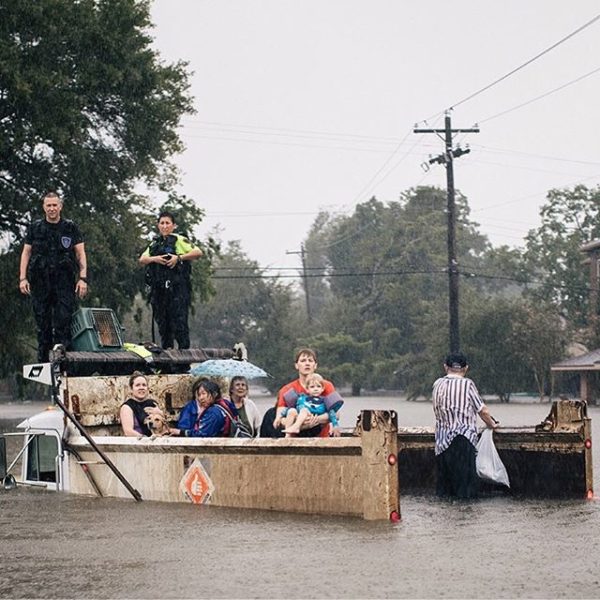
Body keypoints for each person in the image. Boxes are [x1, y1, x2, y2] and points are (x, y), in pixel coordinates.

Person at [19, 192, 88, 362]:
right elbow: (26, 253)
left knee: (63, 321)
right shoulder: (35, 228)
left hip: (64, 281)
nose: (51, 208)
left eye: (54, 205)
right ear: (43, 207)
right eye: (48, 205)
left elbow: (80, 253)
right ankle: (44, 362)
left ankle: (64, 363)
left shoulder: (70, 227)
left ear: (60, 206)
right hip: (40, 281)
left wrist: (83, 278)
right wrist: (22, 278)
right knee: (43, 324)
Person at [432, 352, 498, 499]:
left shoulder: (437, 384)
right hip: (463, 441)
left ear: (445, 367)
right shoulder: (467, 384)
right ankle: (465, 520)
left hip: (441, 445)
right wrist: (492, 424)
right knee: (465, 490)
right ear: (466, 368)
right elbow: (482, 410)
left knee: (445, 490)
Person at [139, 211, 202, 349]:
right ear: (158, 225)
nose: (165, 226)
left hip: (178, 290)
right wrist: (155, 259)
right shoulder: (155, 243)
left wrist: (178, 258)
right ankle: (167, 362)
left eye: (167, 223)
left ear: (173, 225)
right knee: (164, 327)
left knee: (179, 325)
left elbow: (197, 252)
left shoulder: (179, 240)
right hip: (160, 291)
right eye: (162, 223)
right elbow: (142, 259)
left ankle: (183, 360)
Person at [271, 348, 343, 438]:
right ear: (296, 365)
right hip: (295, 440)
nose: (307, 363)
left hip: (321, 439)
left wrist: (317, 419)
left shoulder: (326, 386)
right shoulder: (286, 389)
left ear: (315, 365)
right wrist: (303, 422)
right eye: (303, 360)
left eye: (310, 360)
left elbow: (336, 414)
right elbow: (280, 420)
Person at [282, 373, 342, 437]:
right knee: (292, 410)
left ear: (322, 388)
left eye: (318, 386)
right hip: (303, 420)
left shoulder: (325, 401)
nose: (315, 389)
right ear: (307, 389)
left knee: (306, 410)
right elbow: (296, 407)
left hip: (316, 425)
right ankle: (287, 435)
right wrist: (283, 413)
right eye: (312, 387)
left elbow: (331, 412)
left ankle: (296, 427)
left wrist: (335, 425)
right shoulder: (302, 398)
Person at [173, 379, 239, 437]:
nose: (200, 398)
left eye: (203, 393)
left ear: (214, 394)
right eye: (199, 395)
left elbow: (202, 434)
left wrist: (179, 432)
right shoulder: (226, 404)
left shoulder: (214, 412)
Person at [120, 372, 160, 437]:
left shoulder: (153, 403)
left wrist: (160, 413)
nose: (141, 388)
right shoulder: (127, 407)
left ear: (147, 388)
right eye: (137, 385)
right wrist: (145, 439)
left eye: (144, 385)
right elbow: (128, 431)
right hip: (137, 443)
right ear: (131, 389)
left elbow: (162, 427)